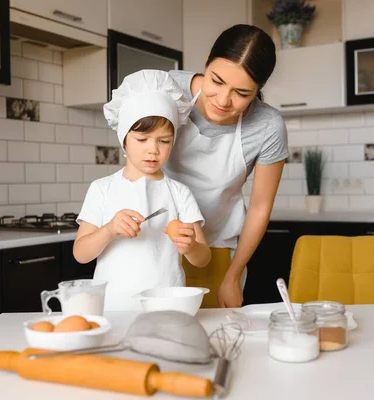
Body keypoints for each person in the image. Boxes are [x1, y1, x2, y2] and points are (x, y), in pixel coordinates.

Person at [164, 24, 289, 308]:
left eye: (242, 93)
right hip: (156, 244)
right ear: (206, 63)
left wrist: (232, 277)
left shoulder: (268, 126)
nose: (222, 100)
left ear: (260, 89)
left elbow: (259, 207)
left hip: (218, 251)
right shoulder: (168, 89)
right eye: (216, 81)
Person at [73, 69, 211, 311]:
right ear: (124, 139)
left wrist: (190, 247)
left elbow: (203, 259)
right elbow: (81, 254)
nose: (153, 150)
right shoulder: (102, 189)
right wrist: (109, 229)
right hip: (114, 307)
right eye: (142, 139)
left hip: (168, 306)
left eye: (164, 141)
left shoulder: (179, 193)